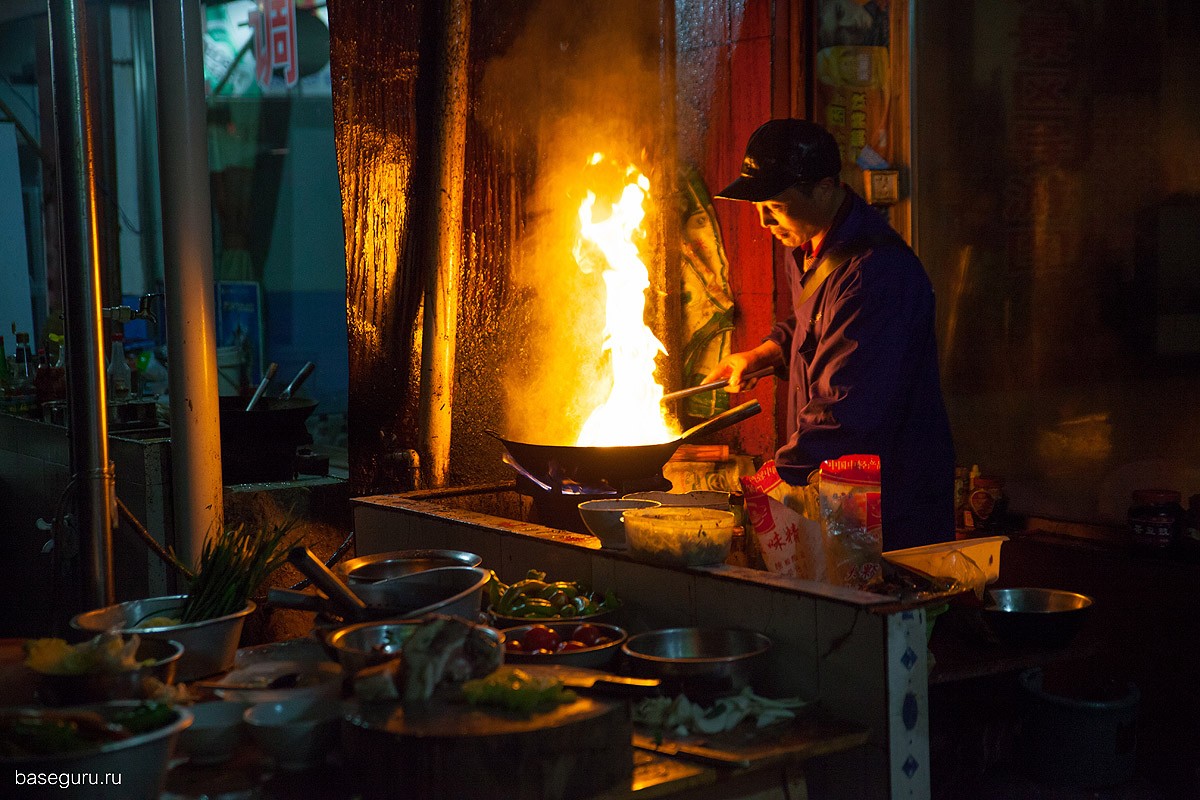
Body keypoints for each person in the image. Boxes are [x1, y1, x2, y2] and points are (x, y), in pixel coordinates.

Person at [708, 118, 955, 549]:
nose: (764, 221)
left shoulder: (876, 273)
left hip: (890, 506)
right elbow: (815, 326)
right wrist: (763, 354)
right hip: (840, 499)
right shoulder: (806, 243)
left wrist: (768, 490)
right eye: (756, 207)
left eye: (775, 206)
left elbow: (844, 411)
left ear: (824, 188)